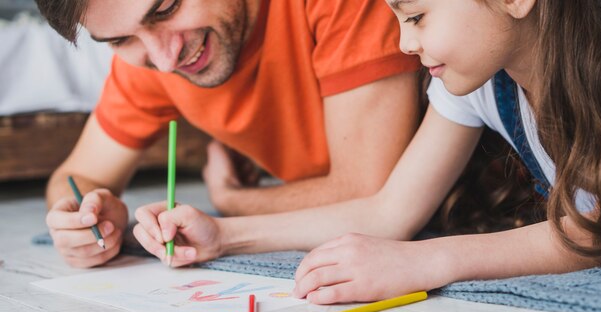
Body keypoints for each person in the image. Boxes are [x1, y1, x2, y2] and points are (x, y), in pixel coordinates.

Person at [133, 0, 601, 304]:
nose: (404, 42)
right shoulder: (475, 82)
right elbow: (389, 211)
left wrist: (428, 261)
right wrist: (222, 234)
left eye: (415, 16)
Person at [36, 0, 423, 268]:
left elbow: (373, 196)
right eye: (120, 40)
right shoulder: (148, 61)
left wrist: (233, 201)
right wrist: (84, 218)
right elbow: (73, 178)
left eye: (168, 8)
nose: (165, 59)